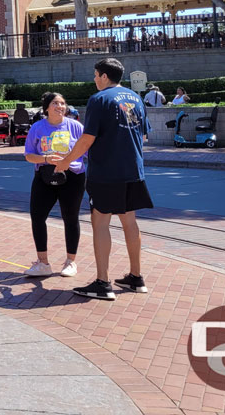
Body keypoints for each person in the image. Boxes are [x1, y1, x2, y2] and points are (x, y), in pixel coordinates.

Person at [59, 58, 153, 301]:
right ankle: (136, 277)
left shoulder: (99, 99)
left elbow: (87, 139)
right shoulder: (136, 98)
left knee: (100, 222)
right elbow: (143, 137)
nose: (94, 79)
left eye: (95, 75)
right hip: (134, 170)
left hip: (106, 173)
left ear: (103, 76)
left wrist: (66, 161)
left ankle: (103, 282)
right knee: (129, 221)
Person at [23, 92, 87, 279]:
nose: (60, 106)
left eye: (63, 103)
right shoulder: (37, 128)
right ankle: (42, 263)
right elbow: (28, 155)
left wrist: (68, 160)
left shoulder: (75, 126)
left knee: (70, 217)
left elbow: (86, 150)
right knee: (37, 216)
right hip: (44, 175)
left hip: (72, 176)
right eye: (55, 103)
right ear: (46, 108)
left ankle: (70, 262)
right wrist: (45, 158)